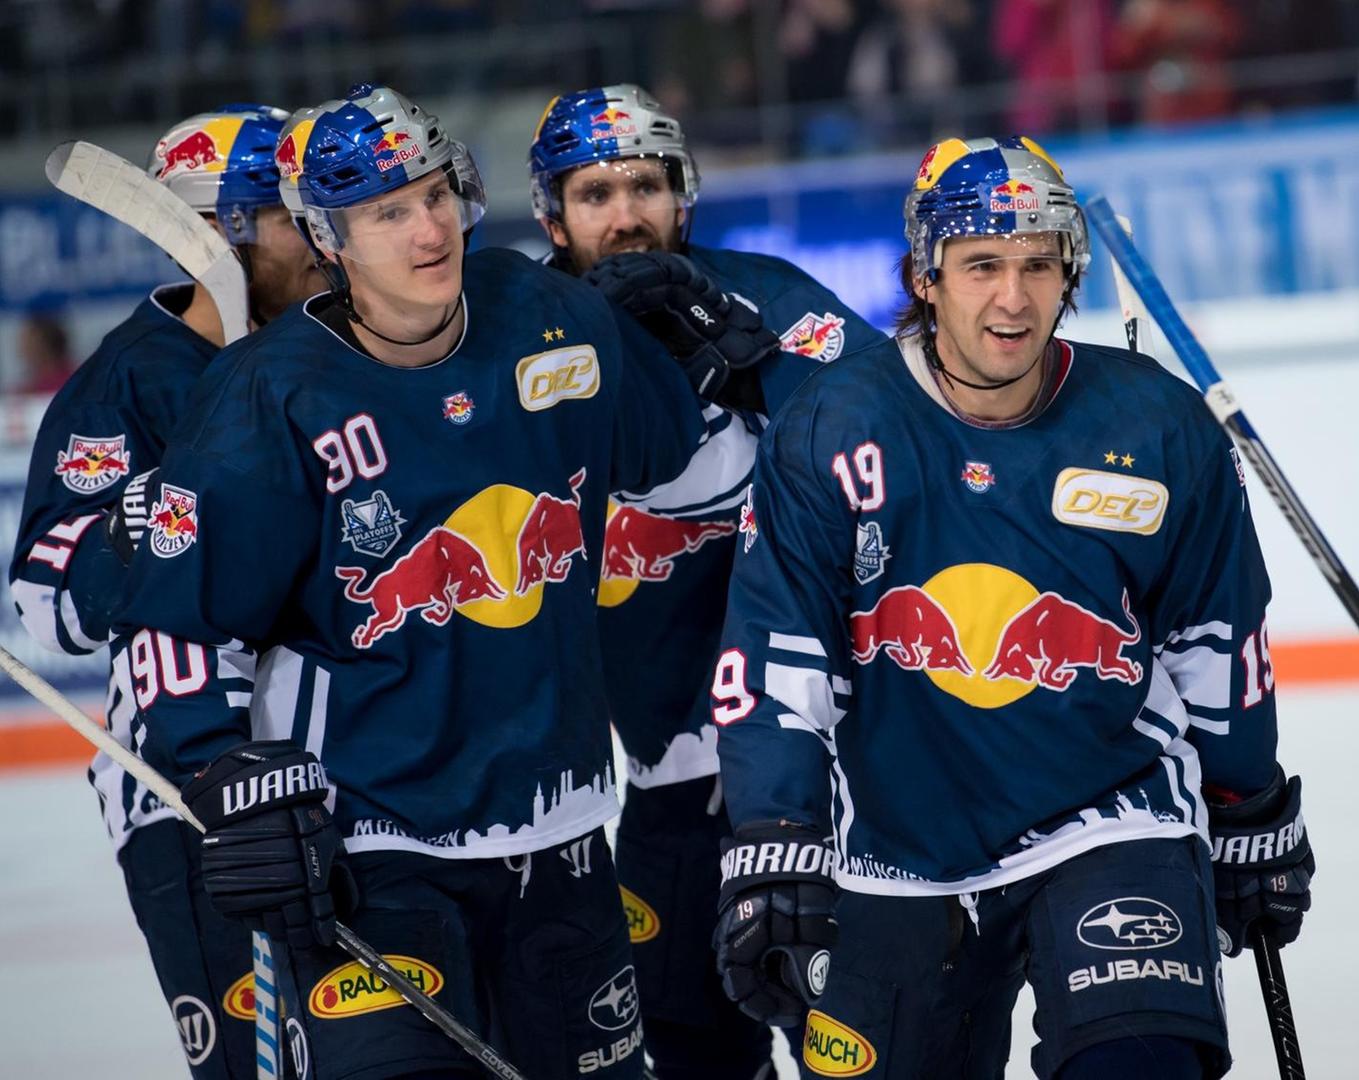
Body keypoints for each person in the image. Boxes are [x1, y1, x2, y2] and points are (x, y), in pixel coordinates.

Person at [111, 83, 710, 1080]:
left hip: (563, 844)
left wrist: (703, 356)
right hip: (374, 858)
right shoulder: (270, 394)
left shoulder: (550, 316)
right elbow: (175, 625)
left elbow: (674, 459)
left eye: (434, 194)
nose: (427, 228)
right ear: (329, 237)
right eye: (387, 210)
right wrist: (224, 776)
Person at [707, 135, 1313, 1080]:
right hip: (899, 846)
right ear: (925, 274)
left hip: (1114, 817)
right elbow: (780, 654)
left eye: (1038, 265)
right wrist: (777, 834)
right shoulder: (832, 425)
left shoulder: (1156, 424)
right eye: (982, 265)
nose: (1013, 299)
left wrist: (1249, 804)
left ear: (1069, 272)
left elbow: (1218, 639)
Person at [527, 81, 888, 1080]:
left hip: (823, 766)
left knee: (863, 1046)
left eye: (645, 183)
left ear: (683, 197)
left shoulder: (766, 293)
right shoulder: (523, 338)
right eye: (594, 192)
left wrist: (746, 362)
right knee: (689, 1056)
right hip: (662, 791)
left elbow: (886, 441)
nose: (625, 212)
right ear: (551, 215)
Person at [8, 103, 327, 1079]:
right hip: (196, 801)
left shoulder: (332, 346)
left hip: (342, 777)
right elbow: (43, 606)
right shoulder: (127, 384)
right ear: (216, 235)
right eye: (291, 217)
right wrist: (137, 518)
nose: (322, 235)